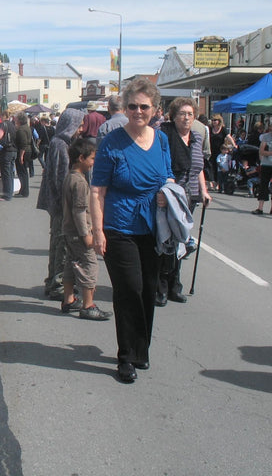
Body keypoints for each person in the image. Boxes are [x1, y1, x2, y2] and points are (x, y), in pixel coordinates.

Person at [90, 78, 174, 383]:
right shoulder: (112, 143)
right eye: (132, 106)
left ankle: (142, 350)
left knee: (148, 289)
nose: (138, 111)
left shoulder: (162, 140)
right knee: (129, 289)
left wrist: (168, 191)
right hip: (119, 225)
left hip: (154, 226)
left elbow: (168, 176)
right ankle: (126, 356)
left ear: (154, 109)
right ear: (125, 108)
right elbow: (98, 189)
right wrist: (98, 231)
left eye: (144, 106)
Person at [156, 98, 211, 306]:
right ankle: (159, 287)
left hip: (190, 196)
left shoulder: (196, 137)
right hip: (170, 196)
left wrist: (204, 191)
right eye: (182, 113)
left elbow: (199, 168)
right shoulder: (164, 136)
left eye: (190, 114)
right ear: (173, 116)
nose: (186, 118)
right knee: (166, 241)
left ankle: (174, 286)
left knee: (180, 242)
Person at [37, 108, 85, 300]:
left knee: (57, 242)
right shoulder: (60, 144)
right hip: (61, 205)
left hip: (59, 203)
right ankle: (57, 283)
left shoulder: (62, 143)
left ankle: (53, 281)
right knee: (61, 243)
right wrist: (68, 203)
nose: (81, 129)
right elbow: (60, 178)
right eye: (79, 125)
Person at [61, 138, 112, 320]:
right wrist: (86, 235)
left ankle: (68, 299)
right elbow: (80, 211)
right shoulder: (80, 183)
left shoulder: (70, 177)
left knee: (70, 263)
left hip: (68, 230)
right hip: (78, 233)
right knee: (90, 265)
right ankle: (88, 305)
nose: (93, 163)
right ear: (81, 158)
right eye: (91, 159)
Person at [0, 111, 17, 200]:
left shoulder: (3, 125)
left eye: (0, 116)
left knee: (5, 173)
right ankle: (10, 192)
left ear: (3, 116)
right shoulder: (12, 125)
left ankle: (7, 195)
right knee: (10, 172)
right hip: (14, 150)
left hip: (6, 151)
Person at [251, 127, 272, 215]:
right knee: (263, 185)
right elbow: (262, 151)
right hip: (266, 164)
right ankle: (260, 208)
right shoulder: (266, 137)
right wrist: (270, 153)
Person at [14, 111, 32, 198]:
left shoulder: (21, 129)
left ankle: (24, 191)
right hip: (28, 151)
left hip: (23, 152)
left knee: (22, 172)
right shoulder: (27, 127)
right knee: (23, 171)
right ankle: (23, 190)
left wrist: (21, 156)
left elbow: (23, 144)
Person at [208, 114, 227, 191]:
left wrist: (234, 145)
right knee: (211, 167)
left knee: (219, 167)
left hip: (220, 151)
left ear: (219, 121)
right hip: (211, 151)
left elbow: (228, 136)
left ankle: (218, 184)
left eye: (215, 120)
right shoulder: (210, 129)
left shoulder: (223, 129)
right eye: (212, 120)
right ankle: (213, 183)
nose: (213, 122)